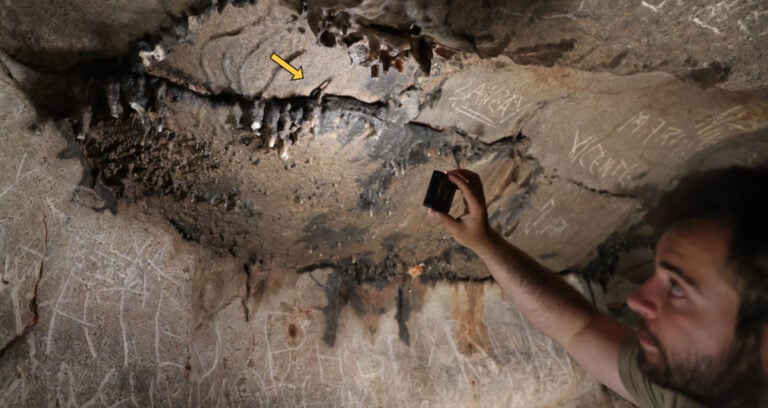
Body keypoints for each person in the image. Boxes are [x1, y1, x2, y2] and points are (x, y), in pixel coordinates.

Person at [427, 165, 768, 407]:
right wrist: (485, 243)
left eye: (677, 289)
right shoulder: (700, 386)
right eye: (658, 276)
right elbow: (578, 327)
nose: (637, 300)